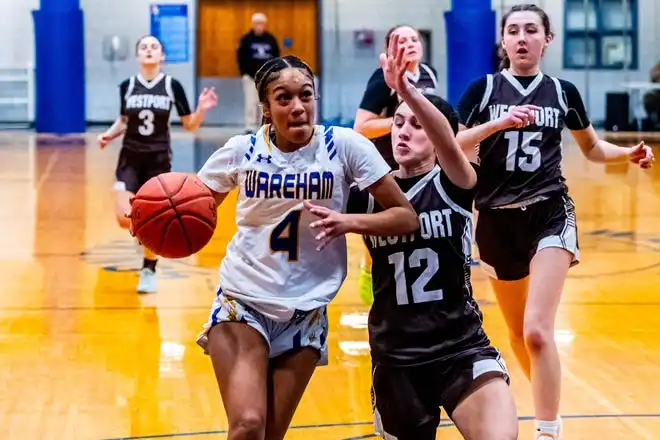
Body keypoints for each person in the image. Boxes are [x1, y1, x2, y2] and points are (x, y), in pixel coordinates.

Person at [455, 4, 655, 439]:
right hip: (495, 221)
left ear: (548, 39)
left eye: (531, 30)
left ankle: (548, 429)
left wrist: (628, 154)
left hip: (549, 212)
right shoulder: (482, 90)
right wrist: (497, 124)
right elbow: (453, 145)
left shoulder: (562, 92)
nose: (522, 38)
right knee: (516, 334)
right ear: (503, 41)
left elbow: (593, 148)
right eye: (513, 31)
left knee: (538, 332)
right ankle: (549, 393)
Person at [193, 55, 419, 440]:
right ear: (266, 109)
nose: (297, 107)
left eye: (306, 95)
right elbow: (191, 212)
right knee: (248, 425)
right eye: (283, 98)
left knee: (270, 434)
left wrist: (349, 222)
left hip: (307, 310)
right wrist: (151, 223)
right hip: (243, 301)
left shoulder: (344, 146)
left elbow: (406, 217)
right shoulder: (241, 151)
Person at [343, 33, 518, 440]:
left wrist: (405, 90)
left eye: (418, 125)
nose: (403, 132)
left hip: (461, 346)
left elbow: (451, 142)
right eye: (399, 123)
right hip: (396, 356)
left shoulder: (455, 182)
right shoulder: (371, 194)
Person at [98, 35, 217, 294]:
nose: (149, 50)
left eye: (154, 47)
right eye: (144, 47)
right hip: (130, 158)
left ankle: (148, 269)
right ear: (138, 55)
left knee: (152, 219)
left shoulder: (172, 85)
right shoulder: (127, 86)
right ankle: (143, 234)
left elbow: (190, 125)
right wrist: (109, 134)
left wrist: (201, 110)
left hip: (158, 161)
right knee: (123, 218)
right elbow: (123, 121)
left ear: (162, 56)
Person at [354, 24, 439, 306]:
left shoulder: (428, 74)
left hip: (423, 164)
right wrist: (405, 120)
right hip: (388, 165)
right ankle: (369, 276)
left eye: (414, 38)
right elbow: (361, 127)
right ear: (389, 48)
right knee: (380, 230)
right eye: (402, 40)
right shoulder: (381, 80)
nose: (411, 44)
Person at [237, 12, 281, 134]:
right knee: (250, 102)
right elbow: (241, 57)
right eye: (257, 23)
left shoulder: (271, 39)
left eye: (261, 23)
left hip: (267, 77)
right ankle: (250, 126)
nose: (259, 26)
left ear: (264, 24)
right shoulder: (246, 39)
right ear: (253, 24)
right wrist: (245, 72)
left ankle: (264, 126)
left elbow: (276, 57)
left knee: (265, 103)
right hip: (250, 77)